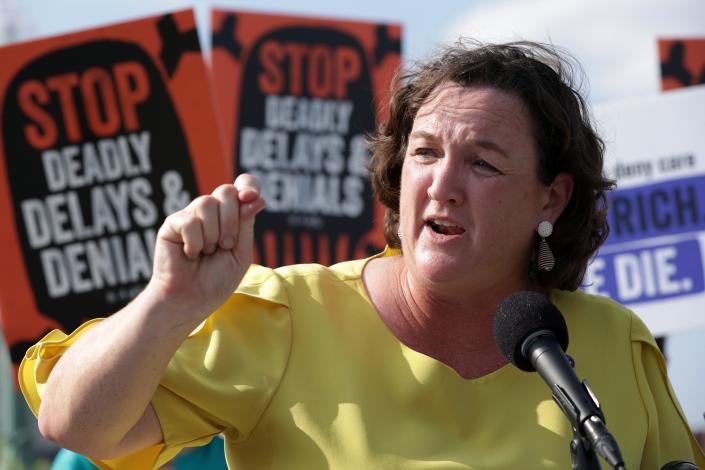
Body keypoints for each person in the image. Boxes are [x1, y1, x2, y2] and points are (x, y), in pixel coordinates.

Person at [18, 39, 705, 469]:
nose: (441, 184)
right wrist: (168, 304)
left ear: (550, 199)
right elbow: (76, 426)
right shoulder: (288, 313)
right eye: (425, 153)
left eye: (484, 165)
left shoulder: (612, 343)